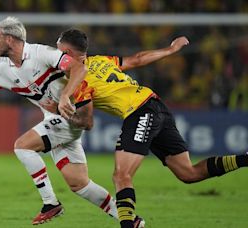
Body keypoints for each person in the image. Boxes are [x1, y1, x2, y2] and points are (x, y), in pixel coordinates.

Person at [42, 29, 248, 228]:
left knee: (121, 176)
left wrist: (59, 111)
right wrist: (170, 50)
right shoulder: (100, 61)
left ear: (66, 54)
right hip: (155, 104)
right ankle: (245, 159)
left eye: (58, 51)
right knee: (188, 173)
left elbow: (87, 122)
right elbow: (137, 59)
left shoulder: (79, 81)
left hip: (140, 111)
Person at [0, 17, 123, 226]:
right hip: (55, 120)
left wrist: (65, 96)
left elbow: (79, 69)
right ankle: (130, 219)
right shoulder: (1, 67)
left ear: (10, 39)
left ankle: (50, 203)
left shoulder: (41, 53)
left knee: (22, 146)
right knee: (80, 185)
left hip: (69, 117)